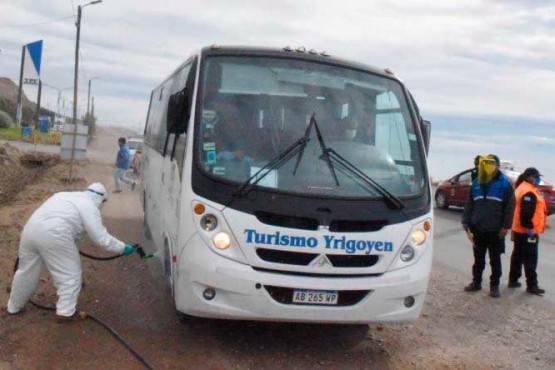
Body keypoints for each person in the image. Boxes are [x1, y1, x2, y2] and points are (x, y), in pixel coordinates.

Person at [7, 183, 136, 322]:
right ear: (100, 198)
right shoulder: (90, 206)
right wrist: (123, 248)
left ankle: (13, 307)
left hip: (30, 231)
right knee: (70, 275)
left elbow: (62, 218)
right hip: (54, 234)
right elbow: (101, 238)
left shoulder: (63, 195)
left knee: (26, 271)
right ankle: (65, 312)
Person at [462, 154, 515, 298]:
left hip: (496, 231)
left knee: (495, 260)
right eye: (486, 163)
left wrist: (505, 227)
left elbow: (510, 207)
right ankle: (476, 282)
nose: (488, 166)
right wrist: (465, 223)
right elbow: (470, 204)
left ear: (497, 165)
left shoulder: (505, 184)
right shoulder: (477, 182)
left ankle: (494, 286)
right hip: (478, 229)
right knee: (478, 260)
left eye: (491, 163)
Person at [508, 168, 547, 295]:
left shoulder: (521, 187)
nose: (538, 180)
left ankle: (513, 280)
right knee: (530, 258)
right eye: (537, 177)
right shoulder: (529, 192)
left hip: (518, 229)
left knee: (517, 256)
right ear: (531, 177)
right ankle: (532, 285)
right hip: (527, 231)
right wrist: (530, 228)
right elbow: (526, 213)